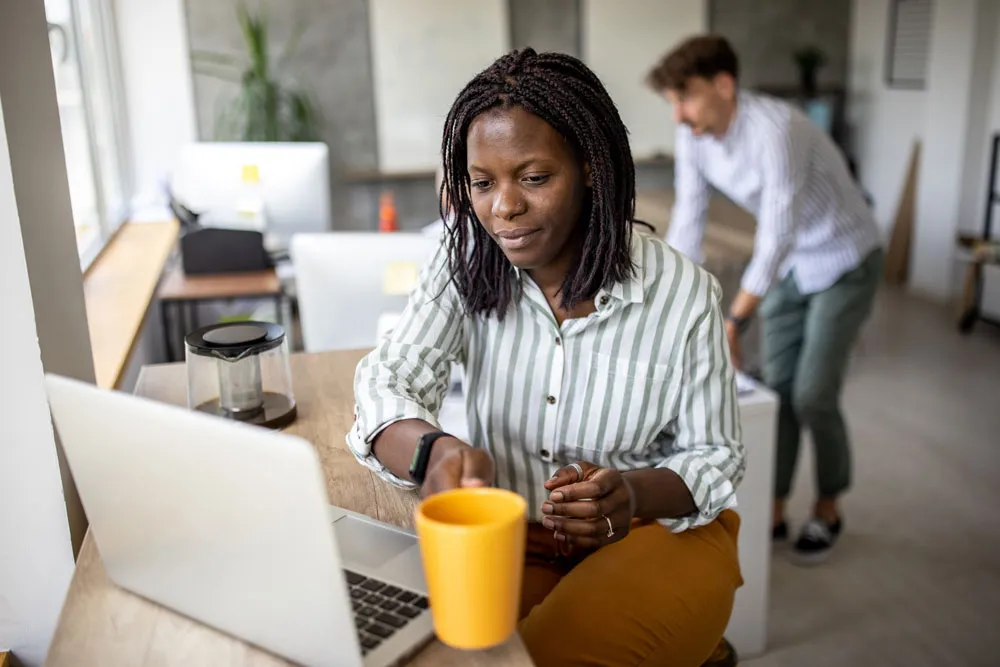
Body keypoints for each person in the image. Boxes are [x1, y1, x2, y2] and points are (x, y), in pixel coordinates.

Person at [347, 48, 744, 667]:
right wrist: (434, 452)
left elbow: (716, 457)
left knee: (548, 655)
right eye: (483, 183)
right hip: (519, 538)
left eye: (533, 178)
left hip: (654, 534)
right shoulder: (465, 264)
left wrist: (630, 496)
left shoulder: (683, 293)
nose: (504, 207)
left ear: (590, 167)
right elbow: (388, 377)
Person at [647, 35, 883, 563]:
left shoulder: (779, 130)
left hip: (846, 259)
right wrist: (674, 297)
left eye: (685, 98)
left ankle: (827, 506)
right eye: (673, 104)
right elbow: (689, 218)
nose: (680, 116)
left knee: (813, 393)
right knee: (774, 390)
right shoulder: (695, 135)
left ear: (724, 85)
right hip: (794, 265)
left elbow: (775, 235)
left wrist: (732, 320)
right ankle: (775, 507)